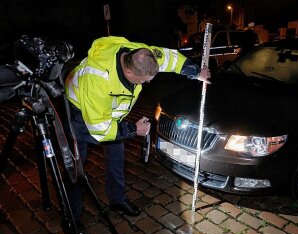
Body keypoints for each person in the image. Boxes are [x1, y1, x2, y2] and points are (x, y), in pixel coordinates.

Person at [64, 36, 210, 221]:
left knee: (117, 153)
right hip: (79, 110)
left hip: (107, 113)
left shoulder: (140, 53)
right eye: (145, 80)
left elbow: (170, 58)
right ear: (130, 74)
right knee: (75, 166)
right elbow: (101, 130)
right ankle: (72, 216)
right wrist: (134, 129)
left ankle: (117, 200)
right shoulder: (98, 81)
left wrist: (196, 72)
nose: (148, 83)